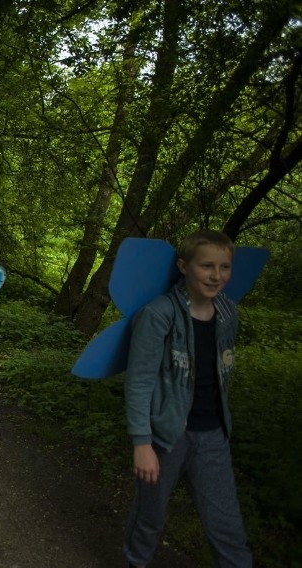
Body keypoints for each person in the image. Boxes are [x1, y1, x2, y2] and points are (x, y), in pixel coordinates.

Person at [123, 229, 252, 568]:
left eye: (224, 267)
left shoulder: (227, 313)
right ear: (184, 265)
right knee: (149, 518)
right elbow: (139, 381)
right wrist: (142, 442)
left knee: (227, 527)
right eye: (207, 266)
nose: (216, 275)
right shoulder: (159, 315)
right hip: (166, 437)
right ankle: (136, 562)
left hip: (213, 436)